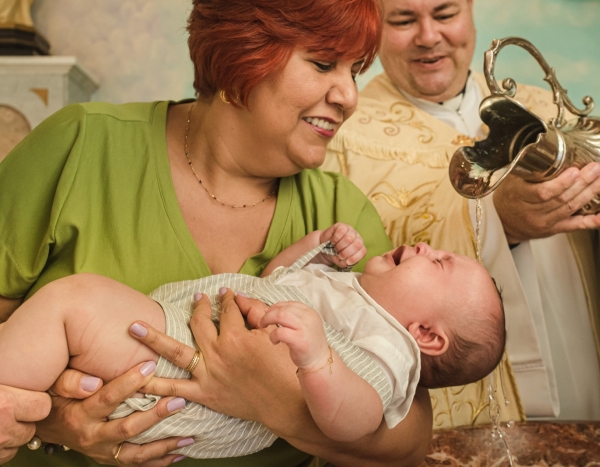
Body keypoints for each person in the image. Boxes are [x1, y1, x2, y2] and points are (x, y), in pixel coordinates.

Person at [0, 0, 437, 466]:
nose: (349, 96)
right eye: (324, 63)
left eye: (355, 71)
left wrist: (267, 399)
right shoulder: (81, 146)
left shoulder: (339, 219)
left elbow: (407, 438)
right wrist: (53, 422)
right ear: (241, 54)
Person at [321, 0, 600, 428]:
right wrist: (498, 222)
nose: (428, 37)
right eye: (404, 20)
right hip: (455, 406)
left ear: (470, 11)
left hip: (577, 367)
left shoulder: (547, 112)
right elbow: (341, 279)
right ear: (374, 27)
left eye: (445, 15)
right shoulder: (343, 137)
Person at [0, 223, 505, 458]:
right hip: (179, 348)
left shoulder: (384, 346)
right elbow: (279, 279)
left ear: (425, 335)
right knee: (70, 321)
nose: (424, 245)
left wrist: (316, 360)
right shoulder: (348, 291)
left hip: (189, 380)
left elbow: (359, 420)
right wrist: (315, 248)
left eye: (439, 262)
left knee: (75, 303)